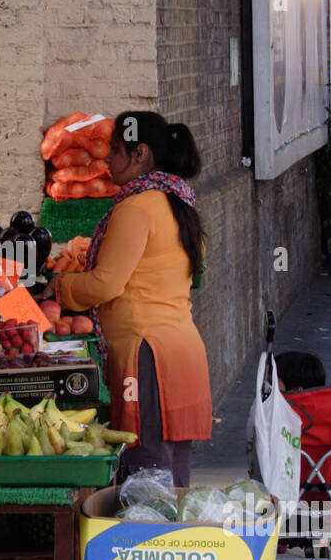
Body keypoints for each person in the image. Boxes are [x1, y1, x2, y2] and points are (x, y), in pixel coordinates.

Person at [44, 110, 211, 487]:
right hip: (180, 352)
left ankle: (149, 544)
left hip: (148, 357)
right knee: (173, 478)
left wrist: (60, 287)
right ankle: (174, 542)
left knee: (146, 473)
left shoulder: (137, 208)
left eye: (116, 150)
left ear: (141, 154)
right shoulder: (176, 201)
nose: (106, 159)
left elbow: (106, 284)